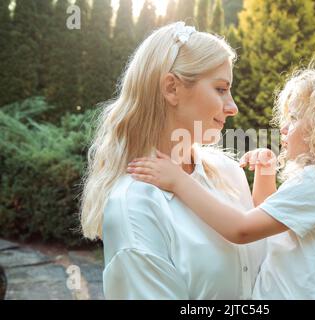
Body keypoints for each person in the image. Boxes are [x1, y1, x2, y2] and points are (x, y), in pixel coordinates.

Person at [127, 64, 315, 299]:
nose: (283, 127)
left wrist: (178, 182)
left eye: (294, 118)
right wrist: (266, 173)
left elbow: (242, 230)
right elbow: (268, 220)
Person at [80, 22, 266, 299]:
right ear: (172, 88)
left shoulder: (230, 173)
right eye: (220, 89)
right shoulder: (134, 206)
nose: (233, 107)